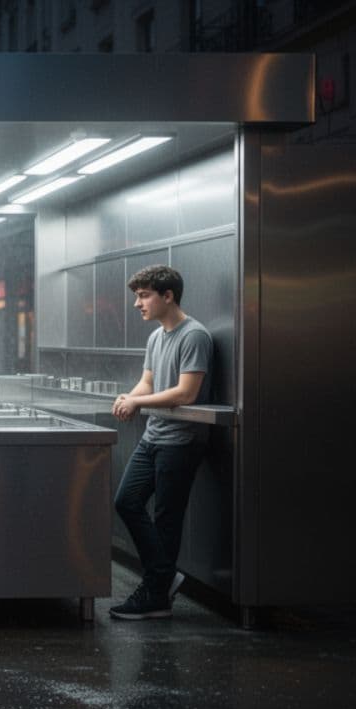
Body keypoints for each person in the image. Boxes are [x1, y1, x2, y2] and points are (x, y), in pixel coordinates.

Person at [110, 265, 213, 621]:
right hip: (155, 435)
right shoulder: (156, 337)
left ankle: (155, 593)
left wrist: (139, 403)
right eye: (137, 296)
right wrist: (130, 397)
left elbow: (186, 392)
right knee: (126, 502)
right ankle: (163, 578)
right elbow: (148, 383)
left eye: (144, 296)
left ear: (167, 296)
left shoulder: (194, 335)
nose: (138, 304)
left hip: (181, 441)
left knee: (167, 518)